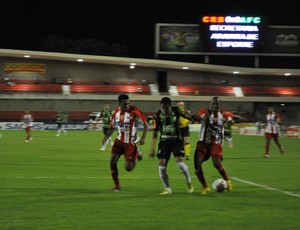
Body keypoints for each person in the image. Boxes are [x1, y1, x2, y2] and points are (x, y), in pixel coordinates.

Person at [102, 94, 149, 192]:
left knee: (128, 168)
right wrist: (106, 137)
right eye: (124, 104)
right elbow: (112, 128)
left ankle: (136, 154)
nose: (127, 106)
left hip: (130, 143)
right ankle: (117, 186)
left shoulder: (134, 110)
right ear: (119, 103)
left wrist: (143, 137)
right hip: (119, 141)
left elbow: (146, 124)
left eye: (128, 103)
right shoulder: (115, 113)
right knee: (112, 162)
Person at [149, 97, 194, 195]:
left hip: (176, 140)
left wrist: (190, 116)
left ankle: (189, 182)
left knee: (180, 163)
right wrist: (152, 148)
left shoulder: (176, 110)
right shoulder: (157, 115)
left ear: (170, 105)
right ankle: (167, 188)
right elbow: (155, 133)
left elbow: (187, 117)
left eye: (166, 107)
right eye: (162, 107)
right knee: (161, 165)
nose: (164, 109)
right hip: (164, 141)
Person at [193, 96, 234, 195]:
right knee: (197, 165)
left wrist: (232, 120)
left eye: (217, 104)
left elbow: (232, 117)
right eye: (213, 104)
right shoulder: (204, 111)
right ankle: (205, 187)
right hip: (203, 143)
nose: (215, 106)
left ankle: (228, 181)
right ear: (210, 104)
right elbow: (196, 115)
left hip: (216, 143)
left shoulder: (224, 114)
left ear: (220, 105)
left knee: (216, 163)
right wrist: (200, 117)